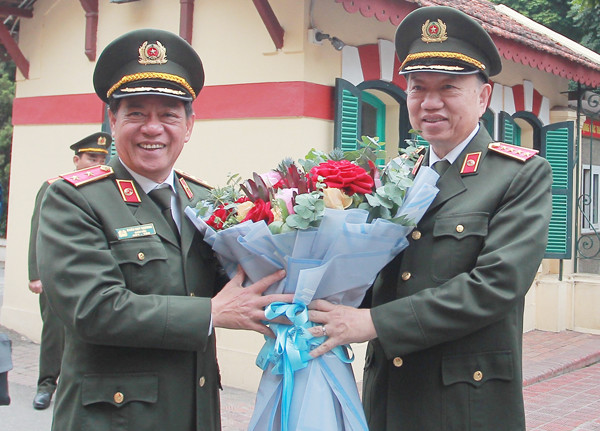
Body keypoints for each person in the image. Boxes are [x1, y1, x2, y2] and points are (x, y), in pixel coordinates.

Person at [308, 6, 553, 431]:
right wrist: (315, 294)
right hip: (389, 392)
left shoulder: (519, 174)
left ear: (483, 97)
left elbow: (495, 286)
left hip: (463, 400)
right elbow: (375, 275)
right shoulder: (398, 174)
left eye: (448, 88)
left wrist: (373, 322)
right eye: (418, 88)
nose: (430, 103)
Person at [36, 29, 289, 431]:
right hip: (114, 419)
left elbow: (237, 281)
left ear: (189, 125)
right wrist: (210, 313)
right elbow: (92, 308)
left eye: (169, 114)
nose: (152, 128)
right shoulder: (74, 199)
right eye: (136, 114)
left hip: (194, 412)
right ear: (113, 121)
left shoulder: (203, 201)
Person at [28, 131, 111, 410]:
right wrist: (35, 274)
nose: (97, 163)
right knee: (55, 332)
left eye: (101, 159)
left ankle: (78, 387)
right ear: (77, 160)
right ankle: (46, 385)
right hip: (58, 275)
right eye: (91, 158)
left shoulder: (107, 190)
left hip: (95, 275)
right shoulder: (55, 187)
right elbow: (38, 231)